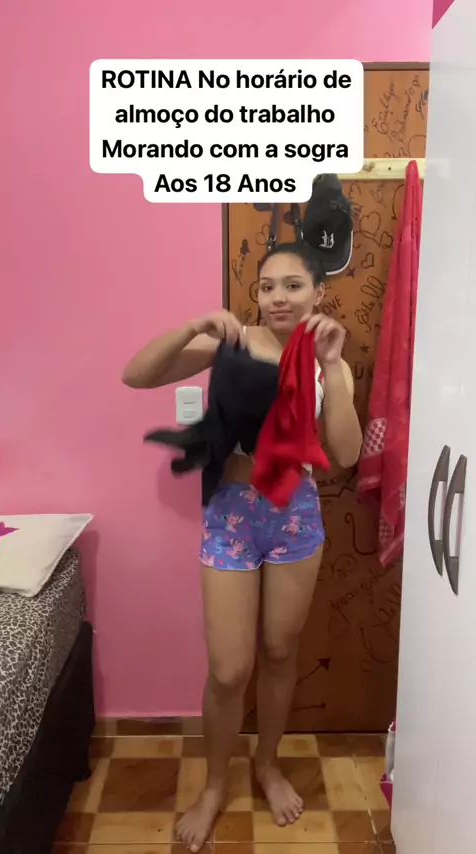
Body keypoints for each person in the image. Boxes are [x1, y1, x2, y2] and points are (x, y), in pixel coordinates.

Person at [122, 242, 363, 853]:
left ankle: (268, 765)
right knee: (229, 671)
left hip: (294, 518)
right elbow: (136, 374)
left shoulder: (328, 359)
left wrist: (334, 366)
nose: (278, 297)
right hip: (231, 515)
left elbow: (345, 453)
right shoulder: (231, 345)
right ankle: (214, 787)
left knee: (280, 653)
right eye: (266, 286)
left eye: (293, 286)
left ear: (318, 293)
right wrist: (191, 327)